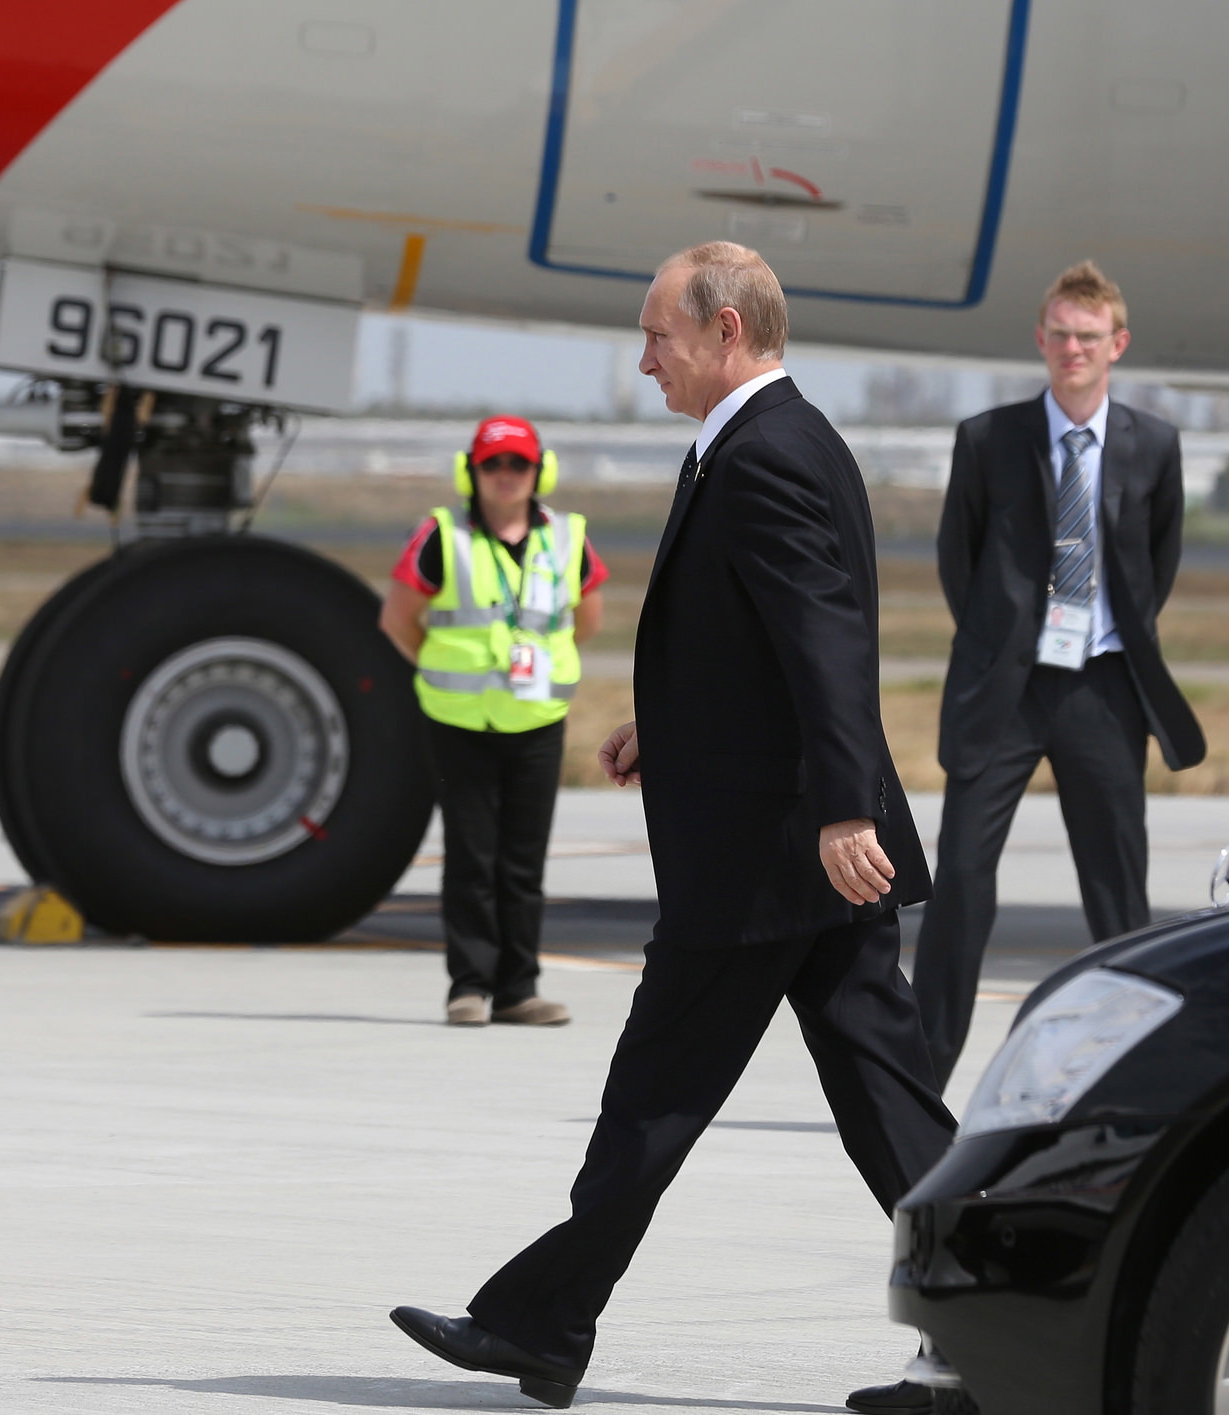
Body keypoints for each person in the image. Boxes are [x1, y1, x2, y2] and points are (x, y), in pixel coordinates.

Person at [389, 242, 957, 1409]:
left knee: (656, 1093)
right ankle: (1000, 1329)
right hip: (792, 838)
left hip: (768, 855)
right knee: (889, 1106)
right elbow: (763, 638)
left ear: (724, 331)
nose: (644, 359)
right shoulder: (777, 438)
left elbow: (826, 644)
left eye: (658, 334)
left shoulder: (764, 456)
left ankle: (540, 1322)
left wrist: (840, 808)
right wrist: (674, 727)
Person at [912, 260, 1208, 1093]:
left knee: (1116, 891)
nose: (1073, 348)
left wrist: (1109, 635)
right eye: (1060, 335)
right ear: (1040, 340)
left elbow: (1157, 563)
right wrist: (1003, 639)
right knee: (960, 878)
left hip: (1104, 689)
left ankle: (1136, 1074)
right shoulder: (987, 439)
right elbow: (958, 557)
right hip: (1005, 690)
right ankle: (919, 1079)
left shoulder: (1155, 444)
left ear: (1118, 344)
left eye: (1089, 336)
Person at [380, 416, 608, 1027]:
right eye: (492, 464)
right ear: (471, 472)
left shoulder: (567, 537)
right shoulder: (442, 535)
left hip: (536, 720)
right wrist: (443, 670)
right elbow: (398, 619)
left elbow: (587, 620)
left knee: (523, 862)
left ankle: (518, 989)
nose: (506, 475)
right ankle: (470, 986)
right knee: (471, 857)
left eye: (519, 464)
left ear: (540, 471)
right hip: (460, 721)